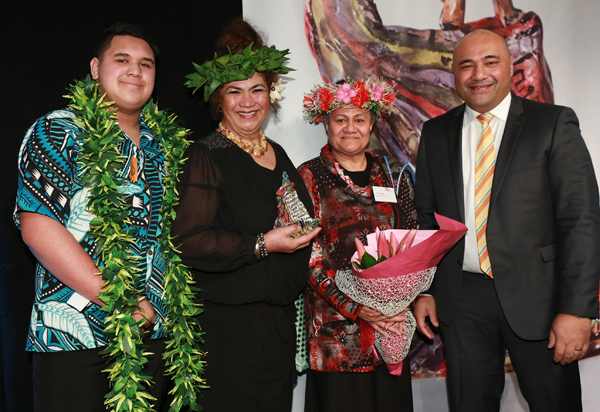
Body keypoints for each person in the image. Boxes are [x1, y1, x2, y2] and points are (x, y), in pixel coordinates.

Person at [13, 23, 202, 412]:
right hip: (75, 338)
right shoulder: (57, 130)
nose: (135, 70)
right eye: (123, 60)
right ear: (96, 68)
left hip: (156, 338)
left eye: (146, 64)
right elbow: (38, 226)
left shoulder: (165, 144)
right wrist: (123, 302)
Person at [414, 29, 600, 412]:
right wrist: (426, 290)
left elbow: (580, 220)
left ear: (510, 67)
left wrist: (579, 310)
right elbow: (426, 219)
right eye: (466, 65)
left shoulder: (552, 124)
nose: (478, 74)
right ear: (454, 75)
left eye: (490, 62)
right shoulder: (435, 133)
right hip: (462, 302)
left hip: (541, 299)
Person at [172, 19, 320, 412]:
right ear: (218, 99)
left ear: (271, 93)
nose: (247, 101)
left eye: (257, 89)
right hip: (228, 332)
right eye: (234, 91)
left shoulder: (278, 153)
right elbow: (189, 241)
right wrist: (262, 244)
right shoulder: (206, 154)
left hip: (276, 331)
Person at [298, 77, 418, 412]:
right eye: (340, 119)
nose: (350, 128)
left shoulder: (393, 174)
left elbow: (412, 240)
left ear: (373, 124)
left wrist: (400, 298)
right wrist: (357, 307)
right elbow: (308, 259)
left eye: (360, 119)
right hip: (338, 339)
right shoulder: (306, 177)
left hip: (390, 329)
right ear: (325, 124)